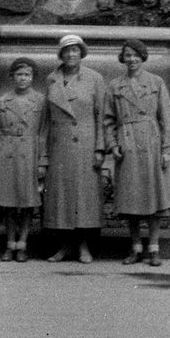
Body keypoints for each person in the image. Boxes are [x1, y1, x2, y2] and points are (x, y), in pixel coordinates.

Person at [106, 38, 170, 267]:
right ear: (122, 58)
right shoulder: (115, 86)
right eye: (127, 55)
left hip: (151, 143)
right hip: (127, 144)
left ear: (143, 57)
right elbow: (108, 120)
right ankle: (136, 247)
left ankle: (154, 248)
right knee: (131, 198)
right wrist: (113, 144)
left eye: (136, 55)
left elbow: (166, 118)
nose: (132, 59)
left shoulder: (156, 83)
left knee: (154, 196)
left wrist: (167, 149)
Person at [41, 33, 108, 264]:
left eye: (75, 50)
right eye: (67, 50)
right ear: (61, 54)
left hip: (86, 145)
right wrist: (44, 154)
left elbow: (102, 116)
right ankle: (64, 246)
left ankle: (83, 246)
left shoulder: (94, 78)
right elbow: (46, 120)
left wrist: (100, 148)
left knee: (84, 198)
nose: (71, 54)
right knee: (62, 198)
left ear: (82, 53)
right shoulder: (51, 79)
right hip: (60, 146)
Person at [0, 57, 45, 262]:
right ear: (12, 77)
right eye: (19, 74)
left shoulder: (40, 101)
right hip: (7, 153)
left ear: (33, 78)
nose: (23, 78)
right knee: (9, 202)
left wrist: (42, 162)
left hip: (29, 152)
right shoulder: (4, 101)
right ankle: (10, 245)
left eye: (27, 75)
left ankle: (23, 244)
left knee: (27, 202)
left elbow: (44, 132)